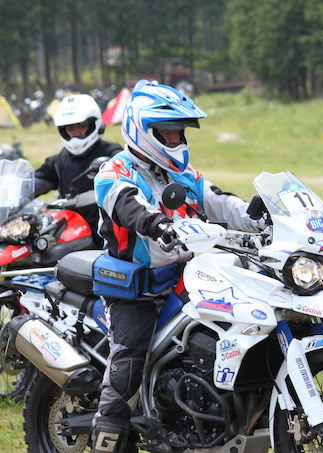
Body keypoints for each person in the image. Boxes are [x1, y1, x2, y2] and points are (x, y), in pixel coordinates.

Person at [91, 80, 263, 453]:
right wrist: (158, 224)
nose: (174, 139)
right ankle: (107, 438)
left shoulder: (183, 174)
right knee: (128, 363)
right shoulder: (114, 172)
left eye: (178, 132)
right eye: (166, 132)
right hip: (135, 288)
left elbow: (219, 202)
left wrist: (260, 217)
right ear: (142, 129)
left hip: (184, 277)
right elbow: (128, 205)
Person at [35, 94, 121, 244]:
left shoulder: (112, 153)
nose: (76, 133)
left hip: (106, 235)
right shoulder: (59, 160)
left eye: (81, 126)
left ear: (94, 124)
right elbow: (34, 183)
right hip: (71, 235)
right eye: (70, 128)